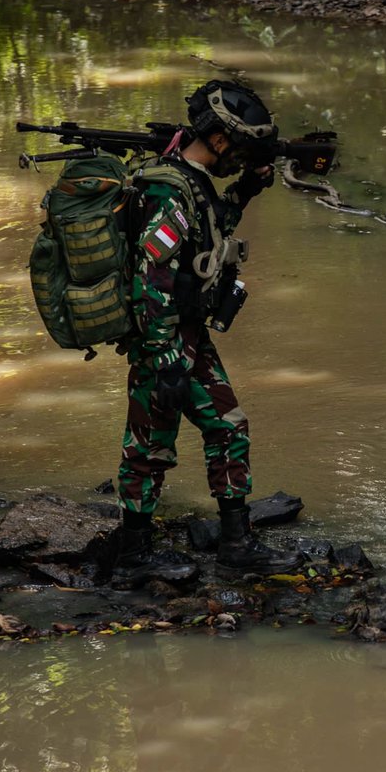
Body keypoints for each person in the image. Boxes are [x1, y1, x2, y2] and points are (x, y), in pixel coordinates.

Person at [111, 80, 305, 588]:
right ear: (218, 139)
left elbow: (211, 230)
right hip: (166, 340)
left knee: (228, 426)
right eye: (239, 150)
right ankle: (134, 553)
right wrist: (163, 354)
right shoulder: (167, 188)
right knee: (150, 443)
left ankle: (236, 545)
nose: (240, 160)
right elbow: (151, 274)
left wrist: (247, 189)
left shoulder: (193, 181)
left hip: (190, 335)